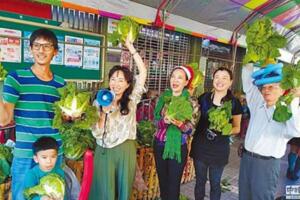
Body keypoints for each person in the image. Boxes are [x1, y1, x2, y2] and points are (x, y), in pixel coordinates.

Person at [0, 28, 65, 200]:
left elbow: (64, 121)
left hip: (53, 153)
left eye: (47, 46)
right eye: (37, 45)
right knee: (23, 196)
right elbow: (4, 119)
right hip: (26, 152)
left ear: (55, 52)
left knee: (54, 195)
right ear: (30, 49)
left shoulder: (61, 83)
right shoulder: (15, 78)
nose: (41, 50)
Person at [89, 37, 147, 200]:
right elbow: (97, 132)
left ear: (128, 84)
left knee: (123, 189)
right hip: (103, 151)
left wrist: (130, 47)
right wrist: (104, 112)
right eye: (113, 79)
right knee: (103, 190)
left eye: (121, 80)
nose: (116, 83)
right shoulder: (99, 100)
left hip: (124, 150)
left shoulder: (131, 101)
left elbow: (142, 73)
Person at [239, 63, 300, 200]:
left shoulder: (286, 112)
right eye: (264, 87)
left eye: (272, 87)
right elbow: (248, 85)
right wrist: (249, 61)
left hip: (267, 165)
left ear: (283, 89)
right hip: (247, 159)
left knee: (262, 197)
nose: (266, 90)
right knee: (243, 196)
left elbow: (296, 130)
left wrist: (295, 98)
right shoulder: (257, 105)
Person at [190, 67, 242, 200]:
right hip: (200, 146)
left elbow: (237, 128)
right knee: (200, 181)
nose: (220, 80)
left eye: (224, 78)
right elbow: (194, 118)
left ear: (230, 82)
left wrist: (225, 129)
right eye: (217, 77)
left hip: (219, 149)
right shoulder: (204, 98)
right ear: (213, 79)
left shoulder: (234, 103)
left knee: (215, 183)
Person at [153, 65, 198, 200]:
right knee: (163, 183)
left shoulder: (191, 102)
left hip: (178, 147)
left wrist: (181, 125)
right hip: (159, 145)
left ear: (186, 82)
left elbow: (191, 129)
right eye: (173, 76)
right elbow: (154, 122)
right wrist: (164, 122)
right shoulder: (162, 98)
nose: (175, 80)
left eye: (180, 77)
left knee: (173, 185)